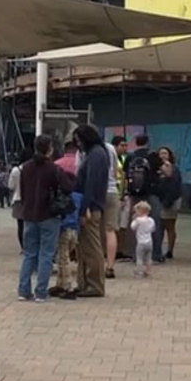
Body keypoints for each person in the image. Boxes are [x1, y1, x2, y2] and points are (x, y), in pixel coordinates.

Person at [17, 134, 62, 301]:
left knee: (30, 254)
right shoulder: (54, 168)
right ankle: (41, 292)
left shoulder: (25, 168)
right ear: (49, 148)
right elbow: (66, 186)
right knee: (46, 254)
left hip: (29, 214)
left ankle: (23, 290)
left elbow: (22, 191)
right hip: (49, 215)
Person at [73, 125, 109, 299]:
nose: (78, 144)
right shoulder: (97, 153)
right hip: (91, 205)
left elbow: (91, 184)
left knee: (92, 247)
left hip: (90, 207)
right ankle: (84, 282)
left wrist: (84, 207)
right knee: (84, 247)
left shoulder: (96, 155)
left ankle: (94, 284)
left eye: (78, 140)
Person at [125, 134, 165, 265]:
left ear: (136, 142)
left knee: (136, 222)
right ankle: (156, 254)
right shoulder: (153, 156)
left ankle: (135, 254)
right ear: (148, 142)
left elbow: (126, 175)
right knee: (154, 222)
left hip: (135, 195)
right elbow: (165, 171)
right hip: (152, 193)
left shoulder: (130, 157)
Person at [51, 174, 81, 299]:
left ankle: (68, 286)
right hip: (75, 230)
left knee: (63, 259)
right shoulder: (80, 197)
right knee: (65, 256)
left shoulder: (62, 196)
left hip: (64, 229)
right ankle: (60, 283)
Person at [155, 147, 183, 260]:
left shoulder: (174, 169)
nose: (163, 155)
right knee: (159, 226)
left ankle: (170, 250)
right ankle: (158, 249)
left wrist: (168, 202)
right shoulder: (157, 169)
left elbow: (175, 186)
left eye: (165, 153)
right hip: (159, 200)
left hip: (171, 200)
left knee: (169, 226)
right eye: (161, 153)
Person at [103, 135, 124, 277]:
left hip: (94, 192)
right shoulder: (110, 148)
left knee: (92, 232)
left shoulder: (84, 150)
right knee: (110, 230)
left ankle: (94, 264)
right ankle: (110, 266)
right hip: (111, 191)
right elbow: (116, 171)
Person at [129, 200, 156, 278]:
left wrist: (134, 219)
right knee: (148, 257)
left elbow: (132, 227)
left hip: (141, 242)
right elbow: (153, 229)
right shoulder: (151, 220)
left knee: (139, 258)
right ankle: (148, 271)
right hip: (149, 242)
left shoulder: (138, 220)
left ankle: (139, 272)